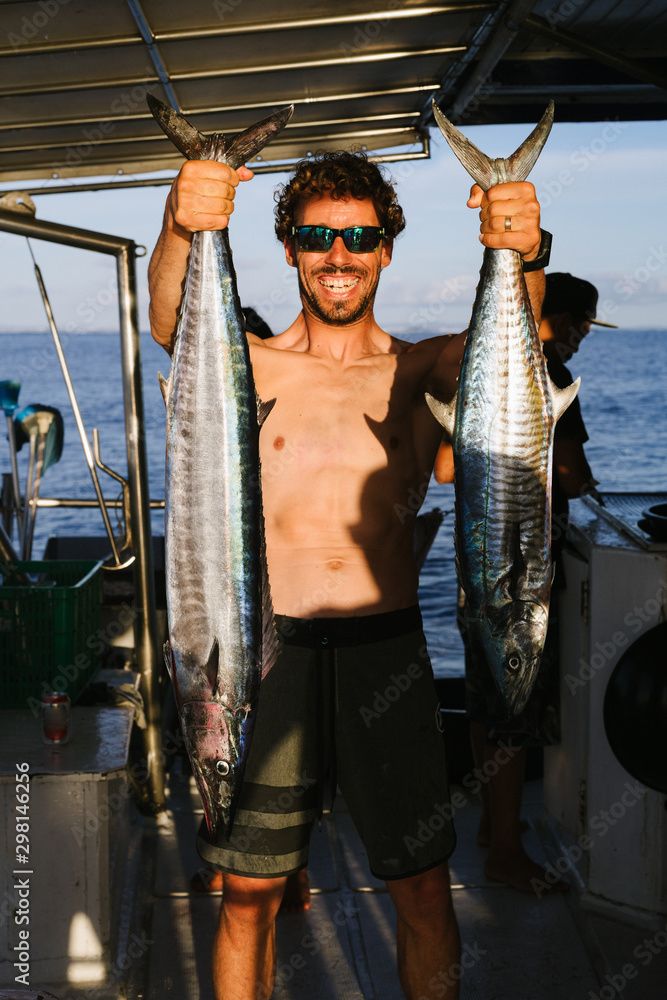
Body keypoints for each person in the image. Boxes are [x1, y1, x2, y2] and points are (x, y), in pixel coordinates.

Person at [149, 147, 545, 1000]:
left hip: (386, 653)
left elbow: (513, 352)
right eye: (318, 235)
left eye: (358, 236)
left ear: (386, 249)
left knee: (420, 886)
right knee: (249, 892)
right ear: (290, 247)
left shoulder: (422, 367)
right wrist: (182, 221)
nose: (339, 254)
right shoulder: (247, 364)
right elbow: (170, 316)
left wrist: (521, 244)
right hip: (264, 650)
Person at [434, 271, 615, 894]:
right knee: (514, 702)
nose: (583, 338)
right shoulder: (548, 378)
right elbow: (569, 477)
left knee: (488, 700)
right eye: (583, 325)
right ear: (560, 319)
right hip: (520, 565)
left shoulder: (484, 371)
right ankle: (506, 851)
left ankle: (494, 825)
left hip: (477, 559)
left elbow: (442, 468)